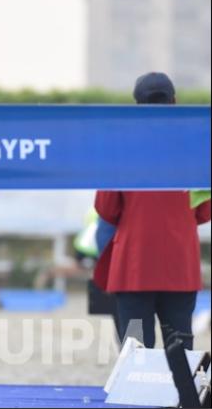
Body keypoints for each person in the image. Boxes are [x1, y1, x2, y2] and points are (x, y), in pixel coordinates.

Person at [93, 72, 212, 349]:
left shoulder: (120, 146)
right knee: (180, 345)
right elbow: (205, 211)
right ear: (175, 101)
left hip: (133, 267)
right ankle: (181, 393)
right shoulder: (197, 149)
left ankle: (138, 393)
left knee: (135, 348)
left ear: (137, 104)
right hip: (181, 265)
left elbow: (106, 208)